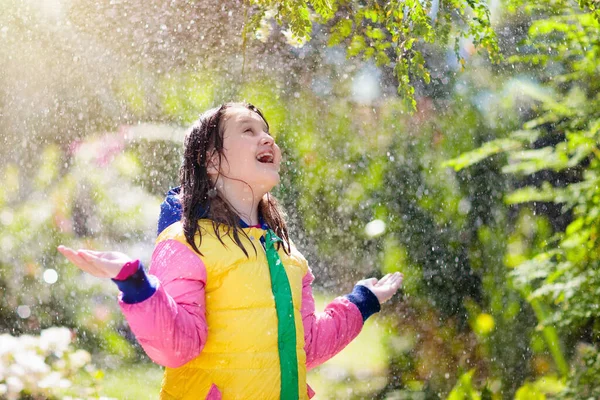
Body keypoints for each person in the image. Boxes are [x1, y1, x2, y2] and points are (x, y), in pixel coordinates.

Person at [58, 102, 403, 400]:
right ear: (212, 161)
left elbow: (306, 346)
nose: (267, 139)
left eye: (267, 132)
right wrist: (134, 281)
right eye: (248, 131)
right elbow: (176, 346)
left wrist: (362, 301)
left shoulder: (288, 255)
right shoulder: (187, 242)